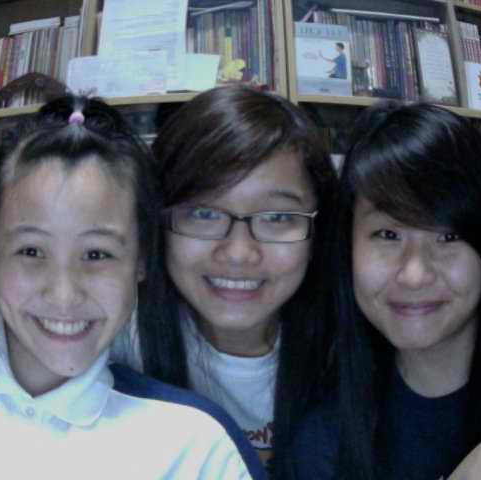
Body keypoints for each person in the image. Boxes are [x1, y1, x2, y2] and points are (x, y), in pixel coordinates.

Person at [0, 95, 266, 479]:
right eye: (31, 251)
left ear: (140, 261)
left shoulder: (198, 449)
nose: (64, 295)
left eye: (96, 254)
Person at [289, 101, 481, 479]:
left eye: (448, 236)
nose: (414, 275)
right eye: (388, 234)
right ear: (347, 247)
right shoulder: (324, 440)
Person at [112, 84, 338, 472]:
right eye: (203, 213)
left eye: (277, 217)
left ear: (318, 231)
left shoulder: (348, 350)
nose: (238, 253)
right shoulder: (118, 339)